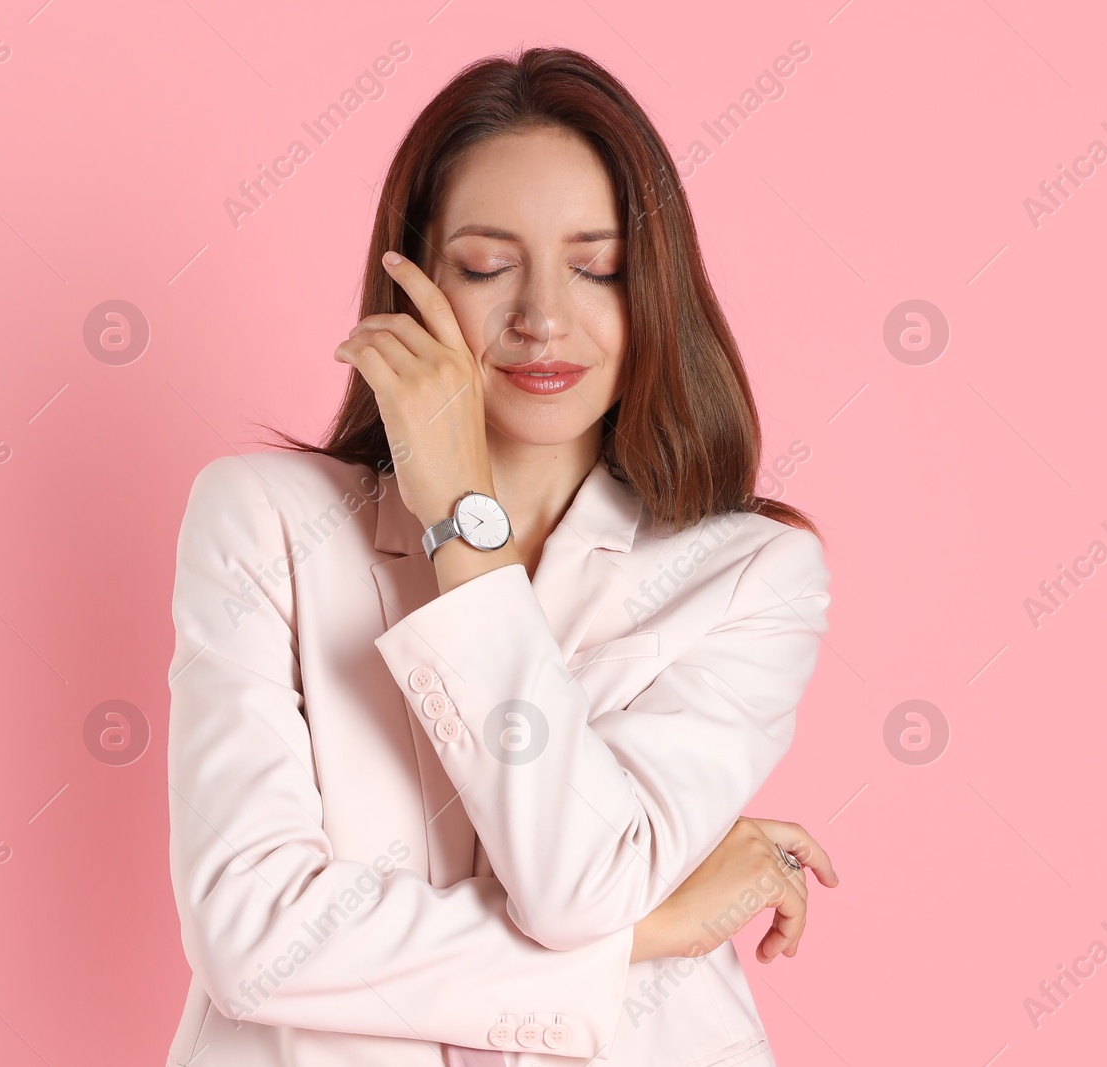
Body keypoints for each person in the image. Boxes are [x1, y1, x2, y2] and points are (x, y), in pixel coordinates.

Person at [164, 46, 839, 1067]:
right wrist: (649, 932)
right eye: (486, 264)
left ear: (654, 287)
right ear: (416, 277)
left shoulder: (747, 575)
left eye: (596, 265)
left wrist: (460, 523)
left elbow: (574, 885)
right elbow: (253, 940)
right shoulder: (263, 522)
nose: (541, 318)